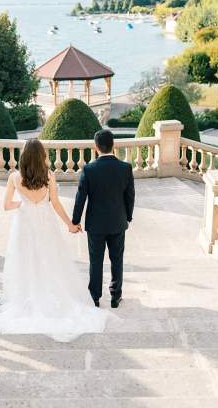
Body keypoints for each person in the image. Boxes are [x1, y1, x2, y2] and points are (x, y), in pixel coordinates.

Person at [0, 139, 113, 342]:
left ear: (24, 156)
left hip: (24, 224)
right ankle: (51, 295)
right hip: (45, 222)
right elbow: (56, 204)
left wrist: (22, 205)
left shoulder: (14, 177)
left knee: (26, 260)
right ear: (42, 156)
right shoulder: (49, 176)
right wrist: (70, 224)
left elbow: (6, 205)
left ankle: (29, 296)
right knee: (50, 259)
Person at [72, 129, 135, 308]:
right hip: (118, 222)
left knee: (96, 260)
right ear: (113, 145)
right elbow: (130, 196)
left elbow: (80, 198)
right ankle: (116, 296)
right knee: (117, 260)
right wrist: (128, 217)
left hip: (96, 224)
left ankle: (95, 297)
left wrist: (75, 221)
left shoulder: (89, 169)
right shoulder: (125, 168)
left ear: (96, 147)